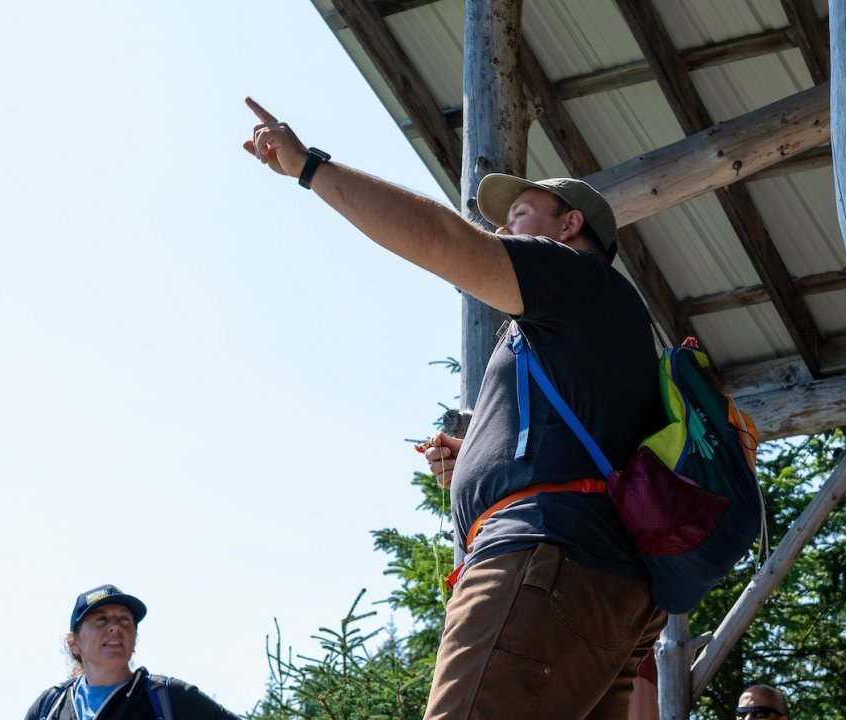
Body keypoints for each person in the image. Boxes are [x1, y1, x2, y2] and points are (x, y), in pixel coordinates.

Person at [244, 97, 667, 718]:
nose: (500, 230)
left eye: (519, 215)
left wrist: (311, 168)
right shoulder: (598, 323)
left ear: (571, 224)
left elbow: (445, 238)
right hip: (597, 582)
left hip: (544, 561)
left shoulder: (574, 276)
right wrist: (483, 464)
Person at [25, 584, 239, 720]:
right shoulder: (50, 706)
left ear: (134, 639)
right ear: (74, 643)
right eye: (101, 619)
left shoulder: (169, 698)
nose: (116, 627)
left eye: (124, 620)